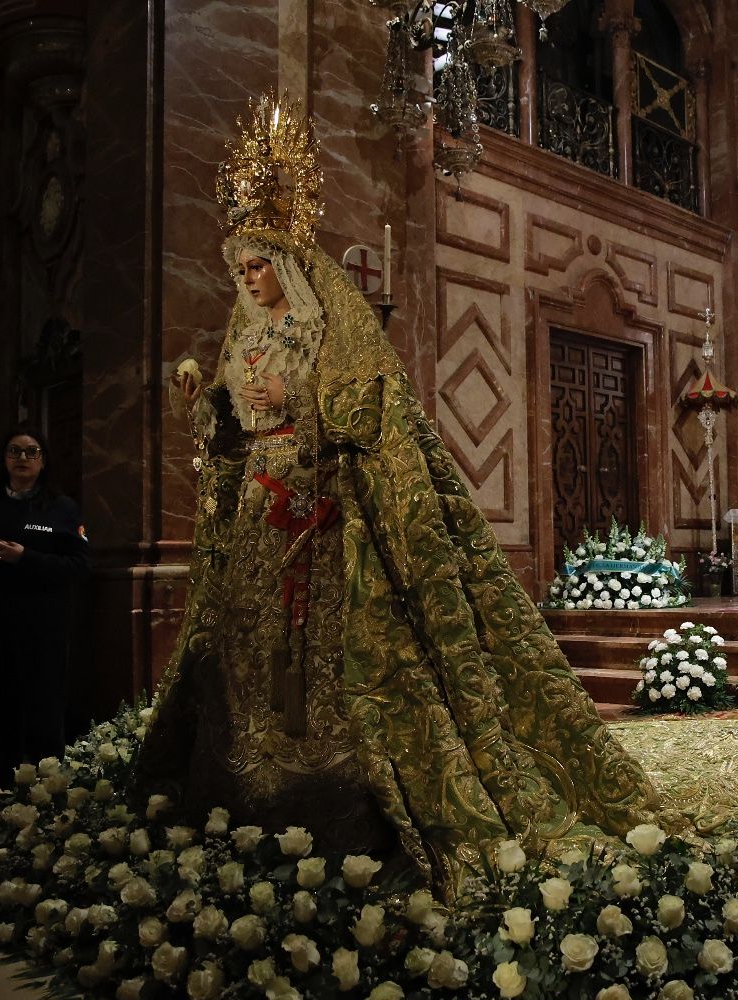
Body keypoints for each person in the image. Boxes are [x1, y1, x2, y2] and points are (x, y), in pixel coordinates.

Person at [134, 95, 669, 899]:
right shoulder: (241, 332)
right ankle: (252, 767)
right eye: (239, 268)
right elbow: (230, 426)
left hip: (315, 512)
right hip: (256, 510)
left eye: (258, 265)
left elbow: (366, 409)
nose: (248, 281)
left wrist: (301, 400)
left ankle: (327, 775)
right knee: (251, 641)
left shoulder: (327, 325)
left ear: (287, 262)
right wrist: (201, 399)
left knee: (317, 647)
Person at [0, 427, 88, 788]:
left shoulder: (61, 508)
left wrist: (25, 557)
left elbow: (77, 567)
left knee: (43, 715)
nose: (22, 458)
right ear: (4, 459)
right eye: (14, 451)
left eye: (31, 452)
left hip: (42, 630)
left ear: (43, 460)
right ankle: (2, 793)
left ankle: (51, 792)